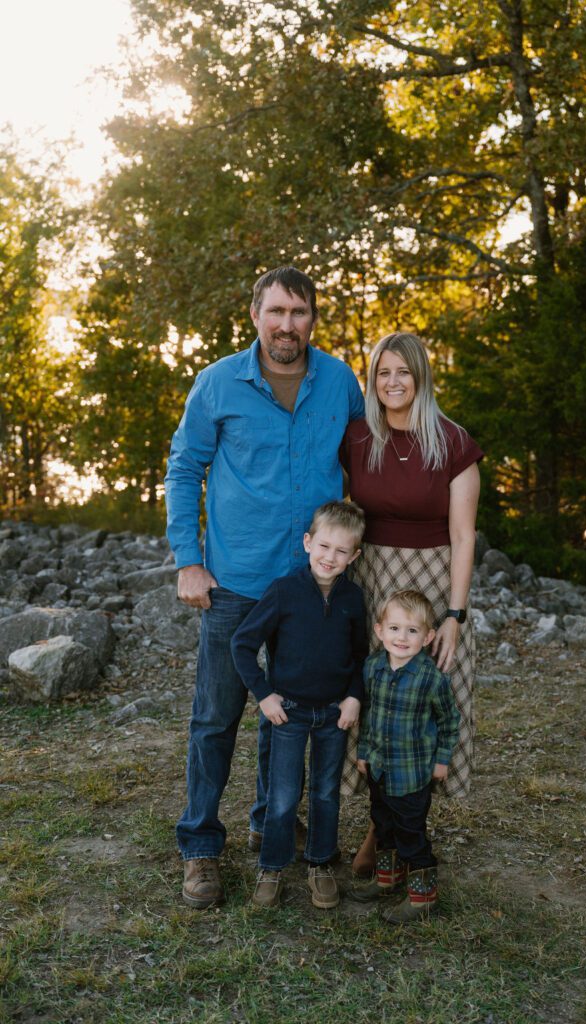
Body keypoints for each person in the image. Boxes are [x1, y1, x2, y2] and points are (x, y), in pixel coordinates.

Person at [165, 266, 364, 909]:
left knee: (289, 714)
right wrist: (188, 560)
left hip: (314, 589)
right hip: (239, 584)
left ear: (312, 318)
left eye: (299, 312)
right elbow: (184, 468)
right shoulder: (218, 382)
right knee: (216, 717)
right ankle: (199, 846)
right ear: (255, 315)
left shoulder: (338, 381)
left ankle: (267, 821)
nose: (287, 325)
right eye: (276, 311)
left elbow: (366, 465)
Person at [341, 331, 483, 876]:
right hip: (372, 580)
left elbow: (465, 536)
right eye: (382, 372)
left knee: (425, 700)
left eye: (403, 371)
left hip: (433, 586)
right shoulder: (357, 438)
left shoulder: (453, 442)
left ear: (421, 376)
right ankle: (381, 823)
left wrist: (454, 615)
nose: (392, 382)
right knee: (374, 698)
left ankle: (399, 832)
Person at [231, 501, 367, 909]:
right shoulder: (283, 592)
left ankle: (320, 863)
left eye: (342, 551)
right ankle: (271, 868)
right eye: (324, 546)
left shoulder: (353, 599)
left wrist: (354, 697)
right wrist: (264, 693)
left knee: (326, 793)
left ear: (354, 556)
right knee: (284, 794)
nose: (331, 557)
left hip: (332, 713)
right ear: (308, 543)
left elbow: (360, 657)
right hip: (286, 711)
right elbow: (242, 644)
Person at [350, 589, 460, 922]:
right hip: (380, 769)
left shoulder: (431, 678)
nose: (402, 637)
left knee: (410, 834)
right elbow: (368, 714)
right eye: (395, 628)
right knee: (383, 824)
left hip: (413, 775)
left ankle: (423, 896)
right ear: (380, 630)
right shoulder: (372, 668)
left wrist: (442, 761)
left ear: (427, 637)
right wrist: (365, 752)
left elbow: (449, 721)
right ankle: (388, 878)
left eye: (412, 631)